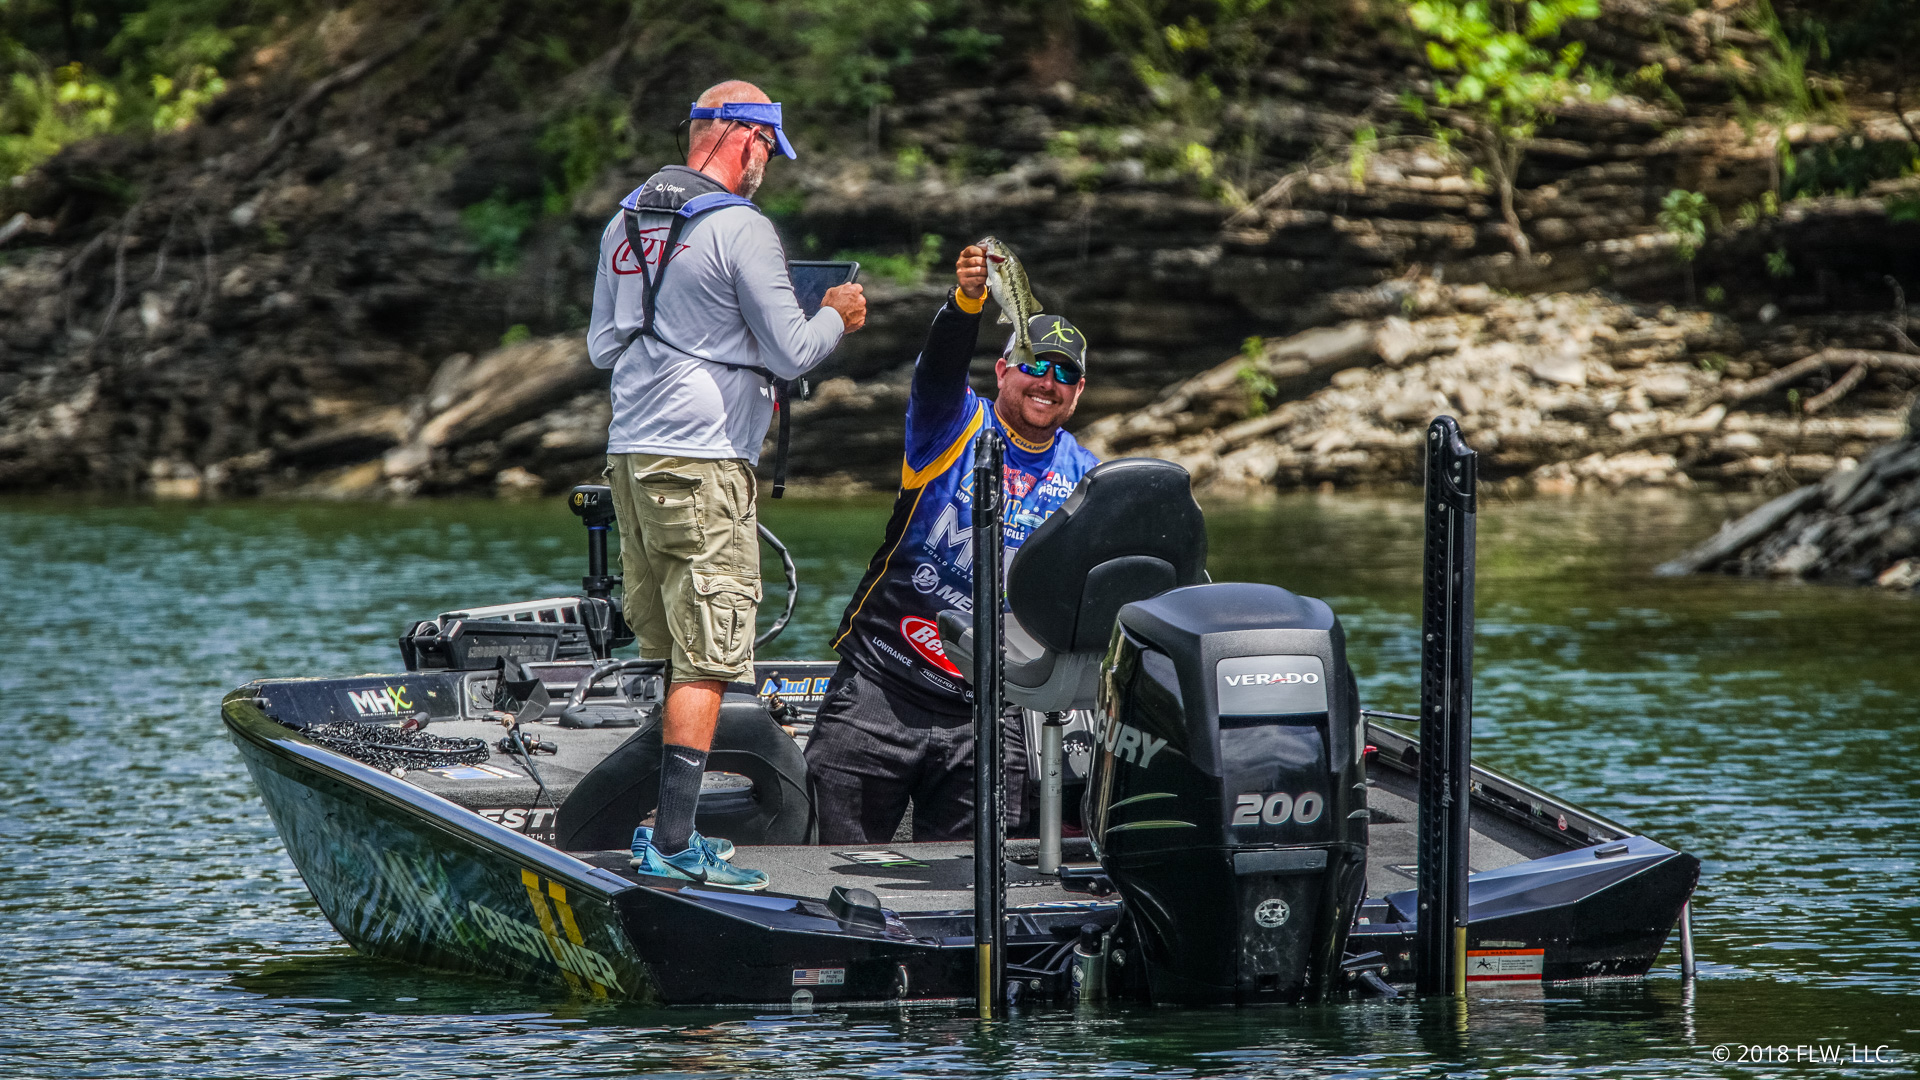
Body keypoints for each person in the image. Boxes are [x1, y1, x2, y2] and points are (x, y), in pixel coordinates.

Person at [587, 80, 867, 889]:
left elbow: (606, 344)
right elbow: (793, 352)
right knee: (709, 660)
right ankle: (674, 843)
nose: (765, 170)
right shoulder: (742, 226)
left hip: (632, 455)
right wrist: (838, 313)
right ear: (745, 137)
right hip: (703, 459)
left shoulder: (626, 219)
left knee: (675, 651)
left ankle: (661, 830)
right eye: (767, 153)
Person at [805, 243, 1100, 844]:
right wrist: (966, 303)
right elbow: (939, 366)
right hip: (881, 687)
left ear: (1079, 391)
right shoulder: (952, 422)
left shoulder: (1089, 480)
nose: (1049, 381)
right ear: (1003, 369)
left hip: (990, 711)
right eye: (1036, 363)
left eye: (1065, 373)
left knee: (968, 895)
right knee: (827, 872)